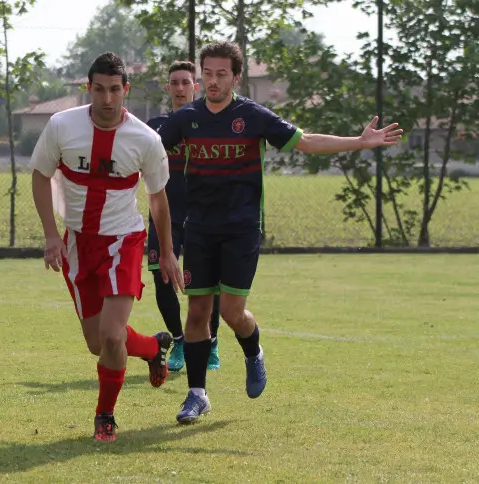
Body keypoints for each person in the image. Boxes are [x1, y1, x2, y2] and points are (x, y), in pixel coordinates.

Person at [158, 41, 403, 424]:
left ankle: (253, 353)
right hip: (200, 229)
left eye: (222, 74)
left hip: (241, 230)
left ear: (236, 77)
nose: (213, 81)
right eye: (207, 74)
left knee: (234, 313)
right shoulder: (186, 117)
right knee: (197, 312)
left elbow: (305, 141)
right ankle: (197, 394)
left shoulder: (252, 116)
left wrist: (360, 141)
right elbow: (146, 148)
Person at [30, 52, 186, 441]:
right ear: (89, 88)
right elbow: (39, 176)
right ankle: (152, 347)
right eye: (99, 89)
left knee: (113, 336)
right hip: (79, 244)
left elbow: (158, 199)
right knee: (97, 342)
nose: (107, 99)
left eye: (115, 90)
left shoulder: (145, 140)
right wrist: (52, 236)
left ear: (125, 91)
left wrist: (166, 252)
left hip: (124, 241)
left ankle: (105, 415)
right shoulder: (61, 125)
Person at [145, 60, 222, 374]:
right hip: (163, 214)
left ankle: (210, 343)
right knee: (161, 276)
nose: (179, 88)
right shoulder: (154, 126)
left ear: (196, 87)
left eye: (185, 82)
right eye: (174, 82)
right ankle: (179, 339)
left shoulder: (210, 123)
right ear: (168, 88)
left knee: (207, 282)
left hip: (204, 216)